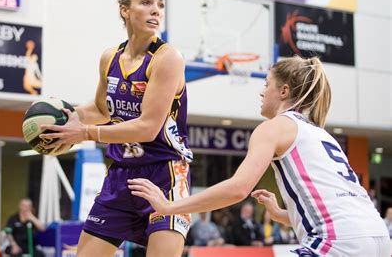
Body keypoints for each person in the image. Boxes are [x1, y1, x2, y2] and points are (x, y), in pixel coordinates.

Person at [129, 56, 391, 256]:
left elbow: (238, 189)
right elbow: (340, 210)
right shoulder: (322, 134)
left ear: (284, 91)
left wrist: (170, 206)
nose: (262, 91)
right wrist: (281, 213)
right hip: (378, 237)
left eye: (267, 84)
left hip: (340, 242)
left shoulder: (273, 128)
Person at [39, 0, 193, 257]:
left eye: (159, 5)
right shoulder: (110, 57)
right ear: (125, 10)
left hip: (165, 173)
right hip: (121, 173)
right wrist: (68, 116)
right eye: (146, 2)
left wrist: (85, 133)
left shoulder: (168, 58)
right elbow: (101, 109)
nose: (155, 10)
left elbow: (147, 128)